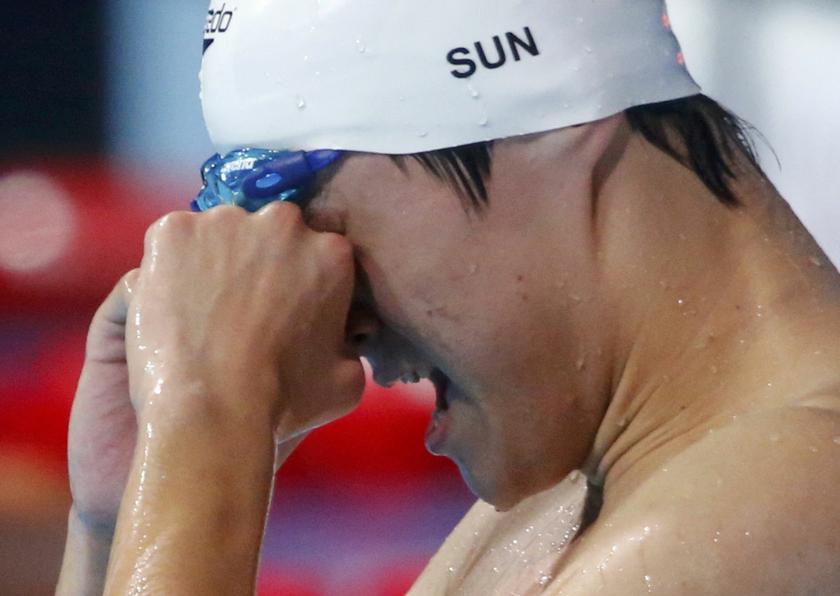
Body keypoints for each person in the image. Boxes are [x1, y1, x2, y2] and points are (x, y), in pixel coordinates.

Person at [57, 0, 840, 594]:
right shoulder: (566, 503)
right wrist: (127, 518)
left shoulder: (795, 493)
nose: (336, 313)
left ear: (547, 123)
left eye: (309, 209)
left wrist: (208, 420)